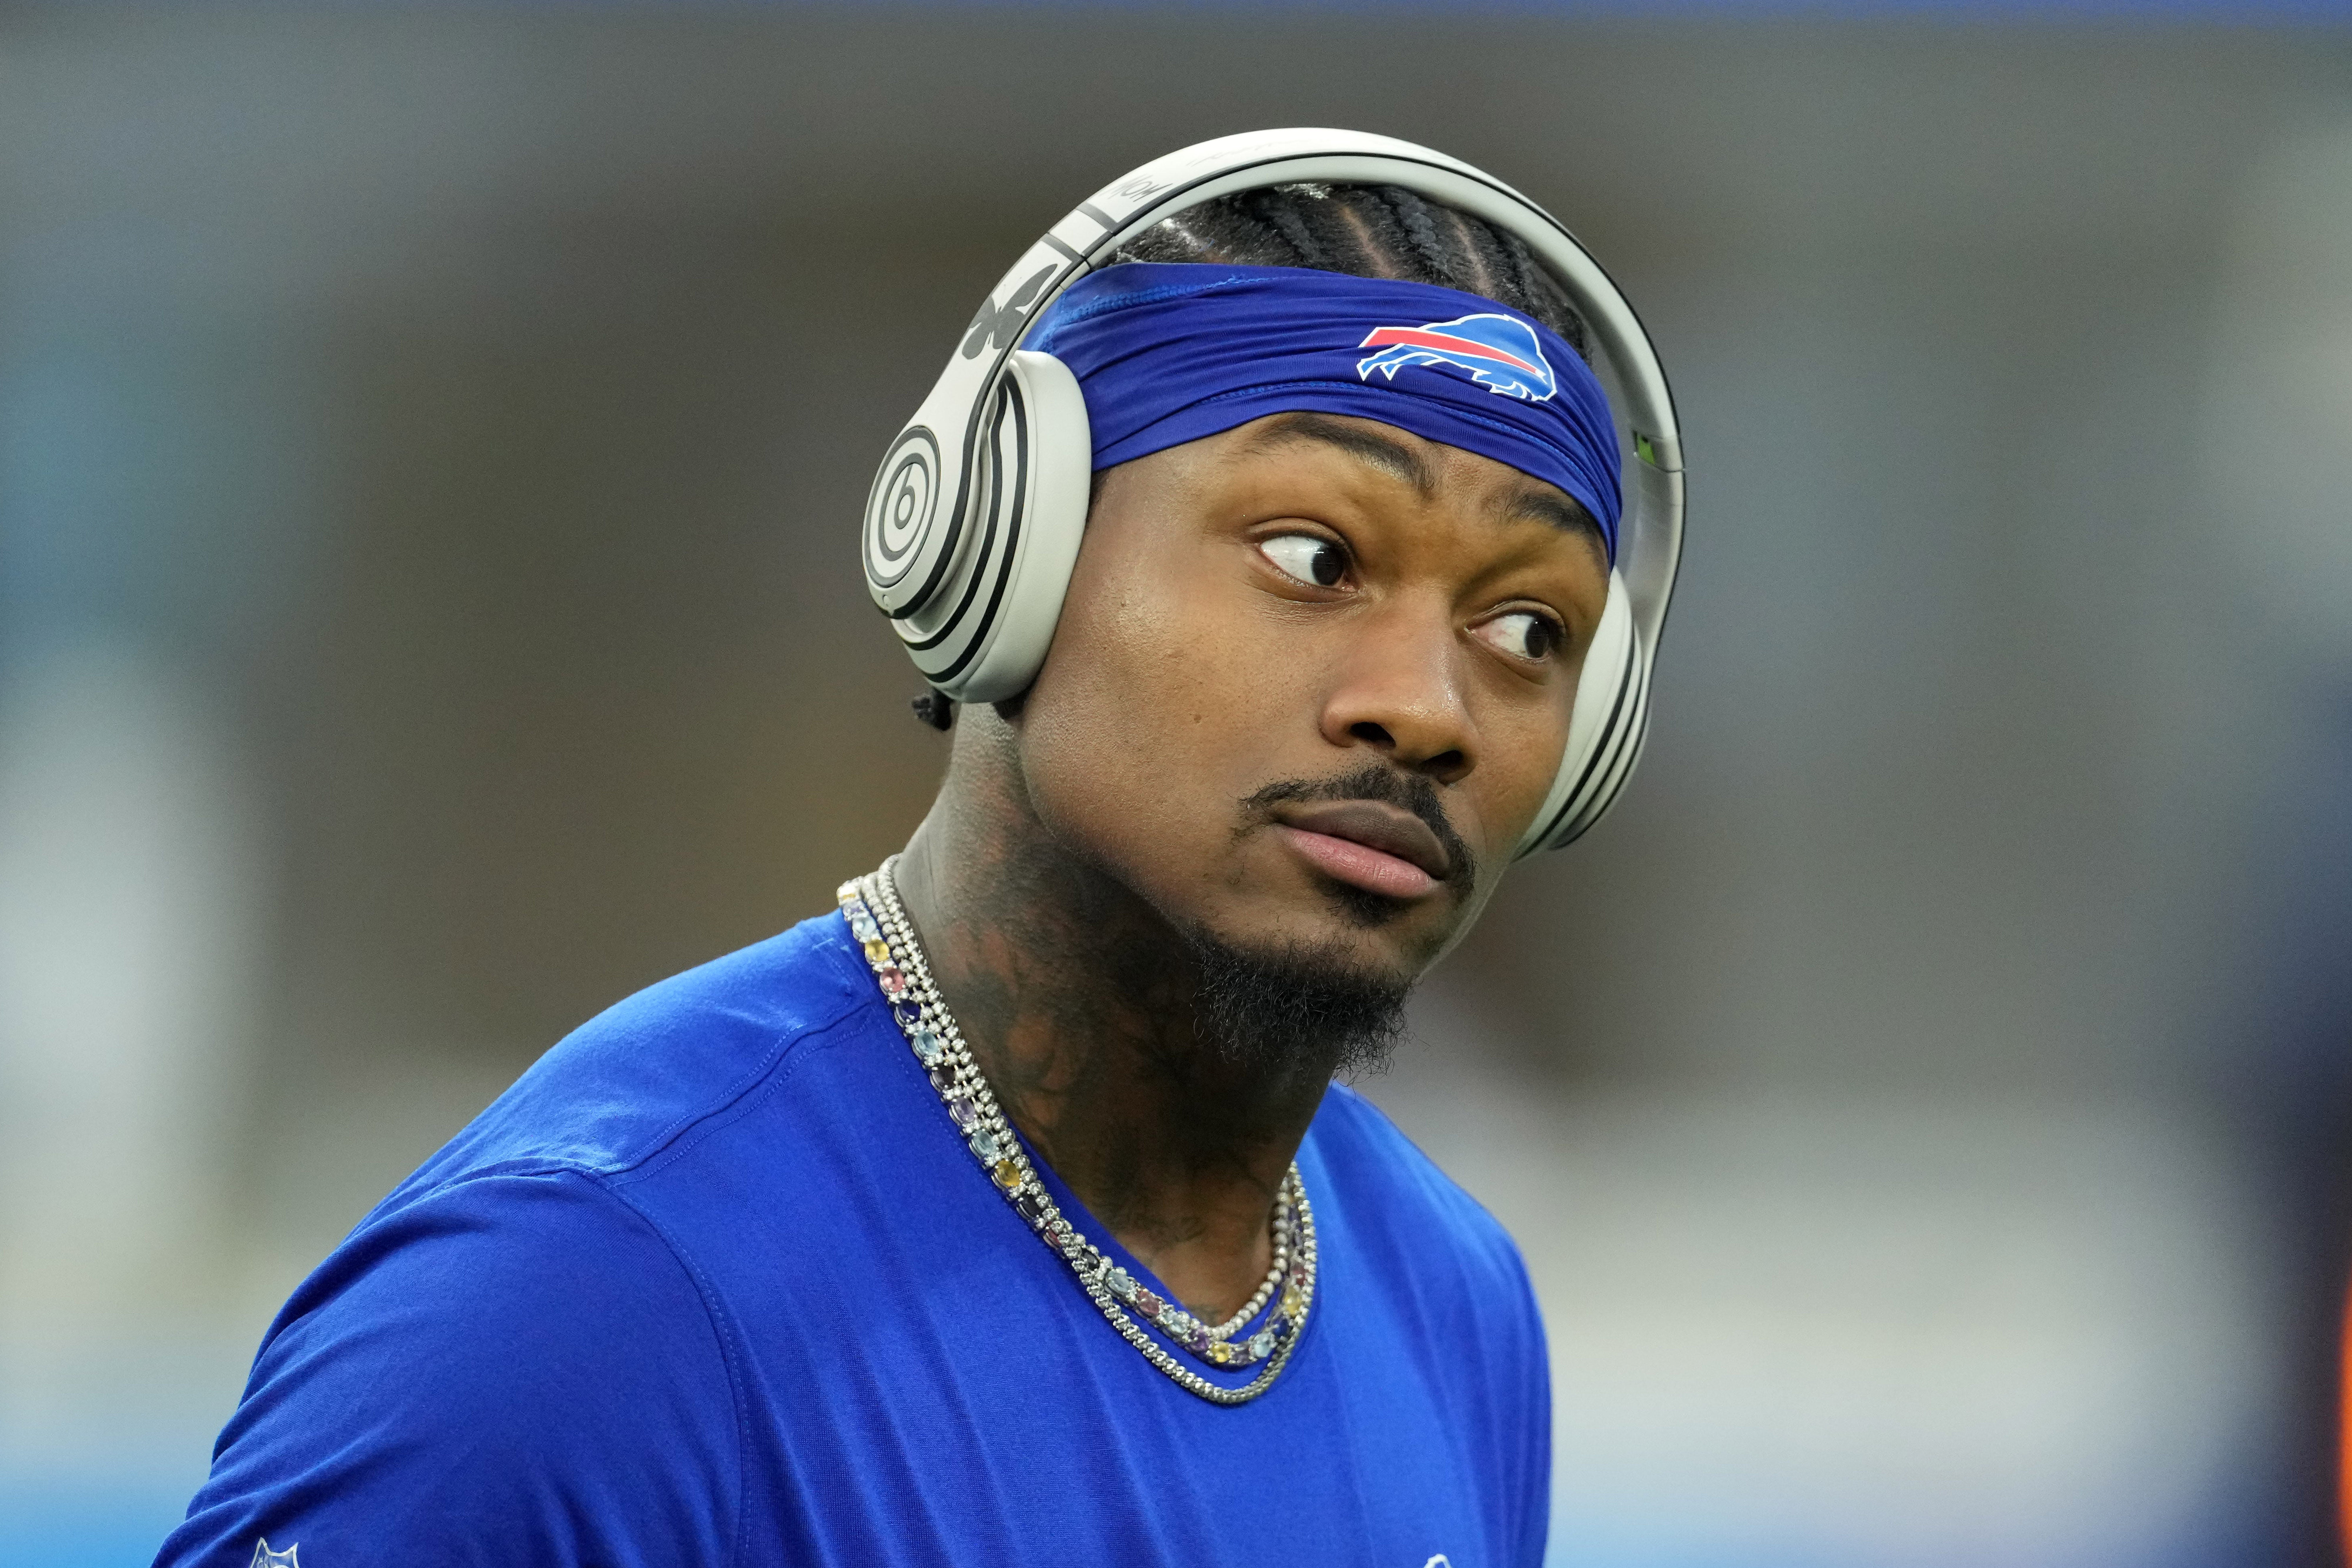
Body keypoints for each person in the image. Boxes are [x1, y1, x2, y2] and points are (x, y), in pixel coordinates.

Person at [157, 130, 1682, 1568]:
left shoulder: (1454, 1306)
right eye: (1311, 557)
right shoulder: (587, 1295)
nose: (1425, 707)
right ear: (995, 548)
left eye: (1525, 628)